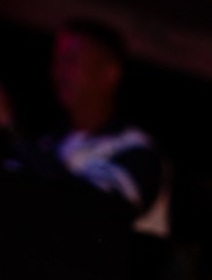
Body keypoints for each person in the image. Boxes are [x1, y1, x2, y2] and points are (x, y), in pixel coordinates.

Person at [41, 18, 170, 227]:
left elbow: (95, 211)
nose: (58, 72)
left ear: (109, 73)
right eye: (57, 60)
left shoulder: (137, 151)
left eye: (71, 60)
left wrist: (9, 127)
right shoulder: (50, 142)